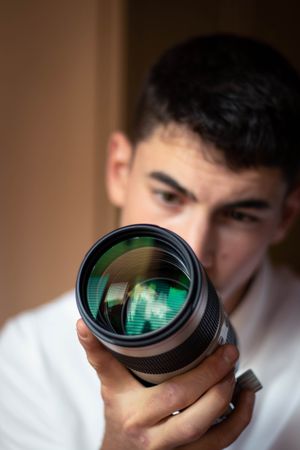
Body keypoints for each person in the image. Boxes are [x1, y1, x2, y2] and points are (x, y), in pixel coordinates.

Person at [1, 33, 300, 450]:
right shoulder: (32, 358)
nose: (194, 250)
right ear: (120, 170)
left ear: (285, 217)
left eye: (239, 215)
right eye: (169, 196)